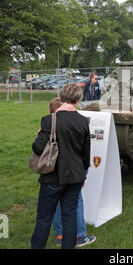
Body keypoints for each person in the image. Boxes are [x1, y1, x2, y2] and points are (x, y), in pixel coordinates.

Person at [31, 84, 90, 249]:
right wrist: (83, 174)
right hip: (76, 176)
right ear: (78, 100)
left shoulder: (49, 120)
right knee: (70, 216)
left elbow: (37, 148)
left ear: (62, 97)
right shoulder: (83, 121)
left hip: (52, 176)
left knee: (44, 218)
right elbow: (86, 154)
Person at [48, 97, 96, 248]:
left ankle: (60, 235)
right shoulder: (72, 127)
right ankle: (80, 236)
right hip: (71, 173)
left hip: (52, 174)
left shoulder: (46, 126)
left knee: (56, 204)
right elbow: (83, 151)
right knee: (76, 202)